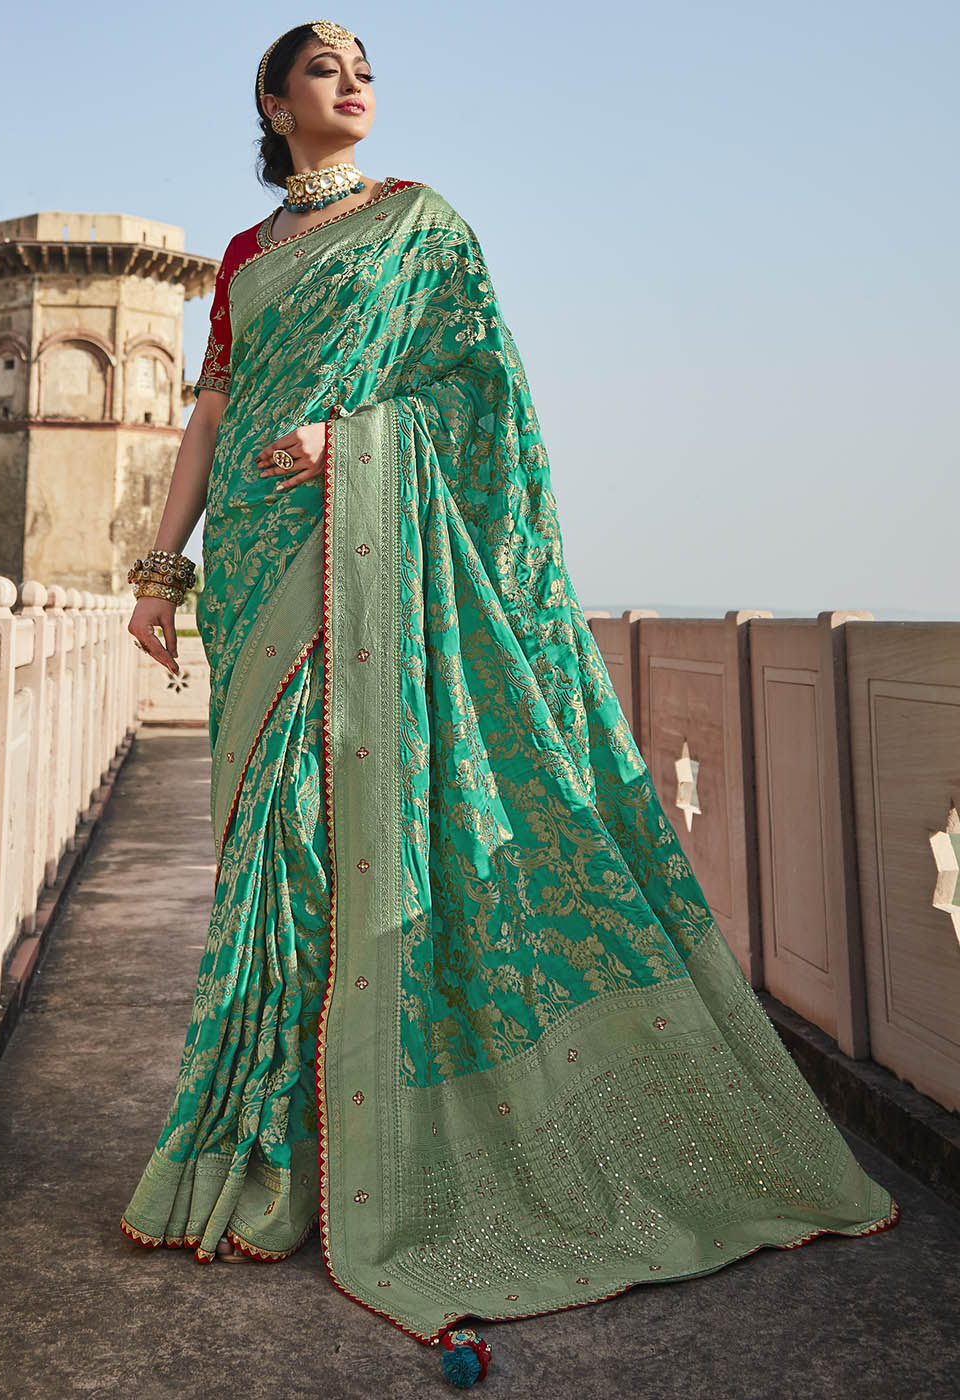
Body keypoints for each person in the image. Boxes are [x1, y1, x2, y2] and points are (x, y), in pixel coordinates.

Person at [120, 17, 898, 1381]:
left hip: (363, 555)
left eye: (366, 67)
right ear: (274, 102)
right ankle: (263, 1151)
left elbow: (481, 400)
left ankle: (349, 1156)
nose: (355, 82)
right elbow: (211, 416)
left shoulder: (422, 225)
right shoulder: (244, 257)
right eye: (325, 67)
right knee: (268, 859)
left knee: (328, 844)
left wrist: (353, 440)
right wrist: (156, 567)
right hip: (255, 568)